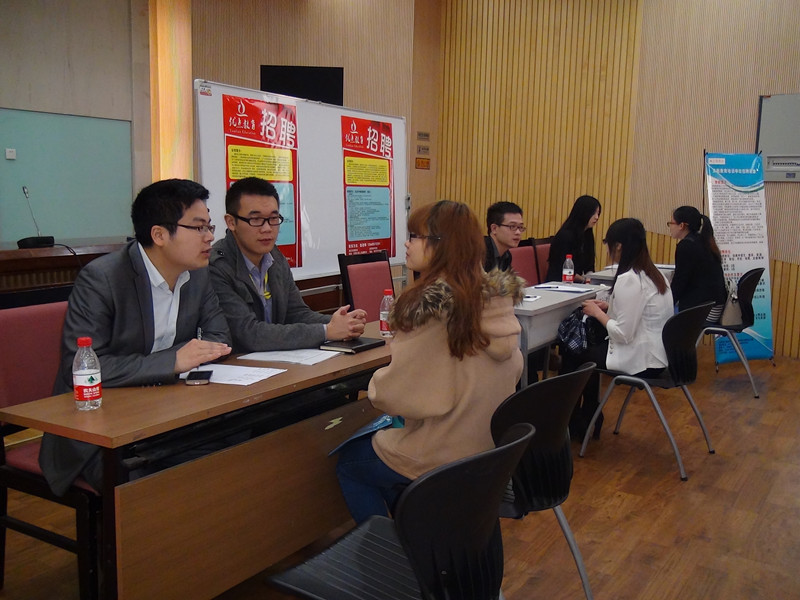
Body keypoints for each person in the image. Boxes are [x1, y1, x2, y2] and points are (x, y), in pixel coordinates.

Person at [39, 179, 233, 496]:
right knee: (163, 478)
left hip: (168, 413)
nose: (210, 236)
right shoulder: (102, 279)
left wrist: (178, 363)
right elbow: (83, 368)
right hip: (99, 431)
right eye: (199, 227)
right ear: (159, 235)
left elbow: (218, 338)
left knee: (240, 440)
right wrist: (172, 361)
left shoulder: (198, 273)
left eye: (209, 226)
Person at [336, 200, 525, 524]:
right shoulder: (496, 300)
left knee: (350, 462)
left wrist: (375, 384)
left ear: (442, 245)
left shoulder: (433, 313)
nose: (407, 244)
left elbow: (398, 396)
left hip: (442, 452)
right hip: (486, 450)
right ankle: (415, 532)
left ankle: (392, 552)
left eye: (415, 236)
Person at [209, 177, 366, 352]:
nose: (267, 228)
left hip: (275, 361)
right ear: (231, 222)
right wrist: (326, 331)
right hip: (238, 364)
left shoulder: (274, 256)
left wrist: (342, 323)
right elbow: (249, 334)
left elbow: (297, 313)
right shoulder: (217, 266)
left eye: (273, 218)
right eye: (256, 219)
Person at [562, 218, 673, 439]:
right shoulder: (654, 274)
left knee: (573, 350)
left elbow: (623, 334)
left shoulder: (630, 279)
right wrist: (609, 307)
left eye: (609, 244)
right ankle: (588, 415)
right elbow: (638, 314)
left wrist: (598, 313)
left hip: (642, 360)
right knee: (586, 351)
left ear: (619, 246)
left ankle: (577, 420)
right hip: (656, 355)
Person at [668, 205, 727, 323]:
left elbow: (680, 282)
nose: (670, 227)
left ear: (681, 225)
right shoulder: (702, 240)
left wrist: (666, 304)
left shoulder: (686, 245)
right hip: (715, 306)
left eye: (671, 223)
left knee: (663, 318)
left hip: (704, 311)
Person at [546, 195, 602, 283]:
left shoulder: (587, 234)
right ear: (583, 213)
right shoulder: (565, 236)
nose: (596, 217)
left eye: (598, 213)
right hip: (559, 283)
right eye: (593, 213)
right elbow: (563, 268)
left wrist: (590, 277)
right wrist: (585, 280)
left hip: (577, 283)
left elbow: (589, 265)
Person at [484, 201, 525, 272]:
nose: (518, 232)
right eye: (512, 226)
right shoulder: (480, 253)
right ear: (494, 228)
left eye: (520, 227)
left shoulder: (507, 256)